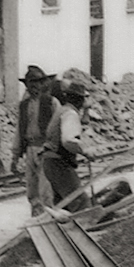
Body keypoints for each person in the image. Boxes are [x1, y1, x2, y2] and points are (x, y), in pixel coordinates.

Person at [14, 65, 59, 213]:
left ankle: (49, 222)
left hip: (45, 149)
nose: (33, 87)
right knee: (32, 189)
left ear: (42, 84)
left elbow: (60, 126)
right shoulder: (23, 105)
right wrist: (15, 155)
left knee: (46, 189)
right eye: (30, 84)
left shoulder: (51, 102)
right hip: (30, 149)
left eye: (36, 83)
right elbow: (19, 130)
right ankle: (36, 221)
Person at [44, 82, 91, 211]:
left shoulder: (62, 110)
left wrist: (86, 110)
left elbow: (84, 122)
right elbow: (68, 140)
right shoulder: (71, 114)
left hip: (49, 161)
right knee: (80, 202)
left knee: (63, 204)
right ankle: (86, 227)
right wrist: (85, 151)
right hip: (59, 163)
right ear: (80, 100)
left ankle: (64, 228)